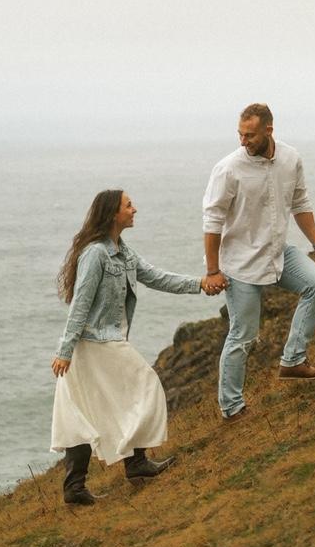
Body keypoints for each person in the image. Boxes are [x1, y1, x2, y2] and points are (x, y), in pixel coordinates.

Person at [50, 188, 221, 506]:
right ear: (112, 213)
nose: (135, 209)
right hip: (94, 342)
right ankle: (135, 465)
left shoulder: (124, 253)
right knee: (146, 384)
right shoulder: (95, 254)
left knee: (82, 409)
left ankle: (80, 486)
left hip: (107, 341)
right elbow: (80, 305)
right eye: (129, 205)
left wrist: (200, 283)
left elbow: (157, 278)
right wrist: (65, 349)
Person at [202, 102, 315, 420]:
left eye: (249, 135)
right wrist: (212, 270)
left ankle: (293, 361)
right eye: (240, 134)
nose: (243, 141)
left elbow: (300, 202)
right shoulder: (228, 169)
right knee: (243, 335)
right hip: (241, 264)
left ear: (268, 130)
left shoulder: (290, 158)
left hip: (279, 252)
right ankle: (231, 408)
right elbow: (212, 221)